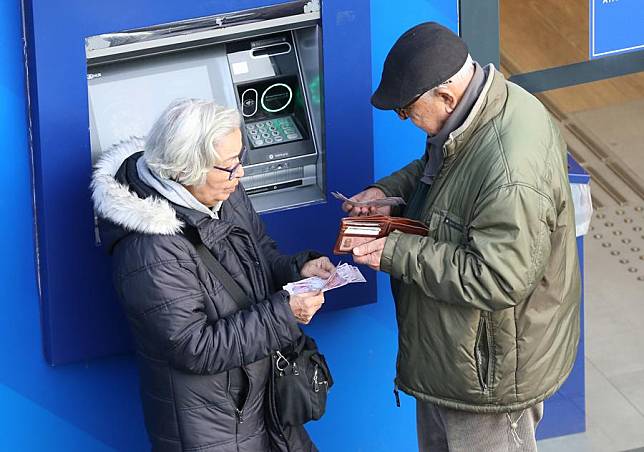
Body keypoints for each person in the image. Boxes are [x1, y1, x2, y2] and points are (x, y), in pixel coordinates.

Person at [346, 22, 581, 451]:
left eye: (406, 110)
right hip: (458, 359)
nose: (404, 120)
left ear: (445, 96)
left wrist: (394, 250)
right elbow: (448, 171)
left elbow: (498, 277)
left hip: (489, 379)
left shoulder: (510, 169)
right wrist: (390, 192)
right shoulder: (482, 111)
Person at [91, 98, 334, 452]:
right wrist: (286, 312)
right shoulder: (149, 250)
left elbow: (260, 251)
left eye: (240, 159)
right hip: (212, 426)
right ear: (183, 169)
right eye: (228, 167)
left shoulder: (222, 190)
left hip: (263, 402)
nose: (240, 174)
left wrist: (298, 270)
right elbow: (195, 347)